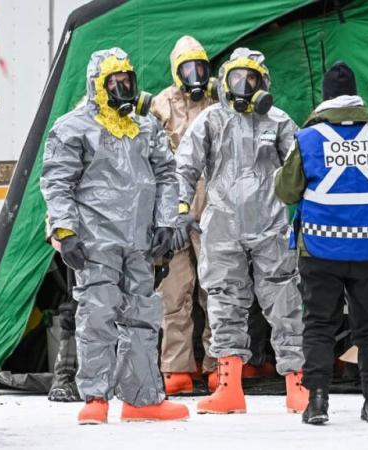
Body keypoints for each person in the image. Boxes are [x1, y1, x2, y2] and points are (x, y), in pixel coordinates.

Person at [40, 47, 189, 424]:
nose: (124, 86)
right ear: (97, 86)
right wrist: (64, 230)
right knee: (98, 314)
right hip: (96, 244)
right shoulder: (72, 127)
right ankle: (95, 397)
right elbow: (57, 182)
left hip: (140, 242)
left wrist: (167, 224)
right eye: (115, 81)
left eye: (128, 80)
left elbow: (167, 176)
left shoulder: (146, 127)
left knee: (142, 316)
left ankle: (141, 398)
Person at [275, 62, 368, 425]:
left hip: (320, 249)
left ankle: (318, 401)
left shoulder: (307, 139)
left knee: (319, 325)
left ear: (325, 98)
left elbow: (287, 191)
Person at [175, 47, 308, 414]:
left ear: (263, 81)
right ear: (225, 81)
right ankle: (229, 386)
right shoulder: (210, 121)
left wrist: (306, 211)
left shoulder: (279, 121)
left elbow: (301, 170)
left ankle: (297, 383)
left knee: (285, 303)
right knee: (223, 304)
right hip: (222, 226)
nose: (244, 85)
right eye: (237, 78)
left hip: (270, 226)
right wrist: (181, 208)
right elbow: (184, 166)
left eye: (251, 78)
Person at [150, 35, 217, 395]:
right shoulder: (161, 104)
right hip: (173, 203)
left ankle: (218, 362)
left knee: (216, 287)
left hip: (210, 204)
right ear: (176, 71)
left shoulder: (218, 100)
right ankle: (176, 366)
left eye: (200, 68)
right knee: (175, 288)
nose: (195, 75)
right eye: (187, 68)